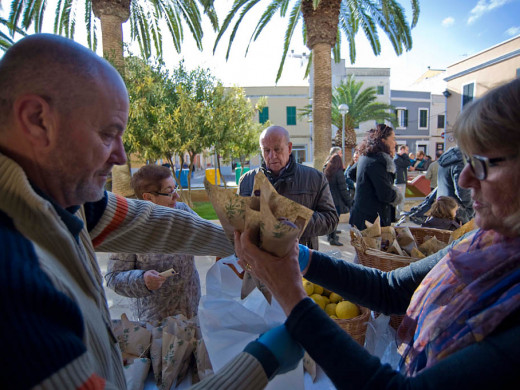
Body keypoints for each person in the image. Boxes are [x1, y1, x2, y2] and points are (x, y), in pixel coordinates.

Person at [1, 34, 290, 389]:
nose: (121, 156)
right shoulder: (13, 278)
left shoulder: (63, 201)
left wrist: (247, 240)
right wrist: (264, 359)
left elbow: (154, 222)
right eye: (108, 133)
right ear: (36, 119)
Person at [233, 77, 520, 389]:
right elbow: (390, 288)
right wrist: (298, 255)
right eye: (467, 160)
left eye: (482, 163)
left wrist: (292, 298)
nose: (464, 179)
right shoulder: (477, 245)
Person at [105, 165, 201, 323]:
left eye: (175, 188)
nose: (176, 196)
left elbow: (208, 235)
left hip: (191, 312)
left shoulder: (182, 212)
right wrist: (142, 280)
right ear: (148, 197)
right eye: (169, 192)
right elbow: (113, 278)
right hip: (155, 322)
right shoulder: (129, 229)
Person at [238, 125, 338, 249]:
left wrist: (296, 224)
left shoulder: (315, 178)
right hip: (260, 260)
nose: (272, 156)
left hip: (300, 260)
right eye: (266, 150)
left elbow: (331, 219)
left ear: (289, 148)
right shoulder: (246, 181)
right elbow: (239, 222)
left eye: (277, 149)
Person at [349, 124, 403, 230]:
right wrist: (397, 193)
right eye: (393, 139)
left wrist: (365, 186)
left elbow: (351, 173)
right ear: (383, 140)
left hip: (361, 216)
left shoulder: (366, 155)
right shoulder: (378, 161)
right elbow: (385, 194)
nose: (395, 143)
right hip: (372, 221)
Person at [437, 146, 475, 224]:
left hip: (443, 206)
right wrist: (472, 206)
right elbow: (463, 191)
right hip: (457, 211)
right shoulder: (461, 160)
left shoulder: (448, 157)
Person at [323, 154, 350, 246]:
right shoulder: (339, 173)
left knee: (331, 219)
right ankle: (333, 238)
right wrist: (349, 201)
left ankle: (330, 236)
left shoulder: (327, 171)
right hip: (337, 201)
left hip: (328, 199)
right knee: (335, 219)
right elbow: (343, 189)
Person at [394, 144, 412, 215]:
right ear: (402, 150)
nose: (407, 152)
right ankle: (398, 214)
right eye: (406, 150)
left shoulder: (399, 158)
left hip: (401, 181)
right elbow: (408, 163)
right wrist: (405, 155)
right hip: (399, 181)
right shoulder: (397, 159)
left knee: (401, 198)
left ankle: (398, 213)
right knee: (400, 198)